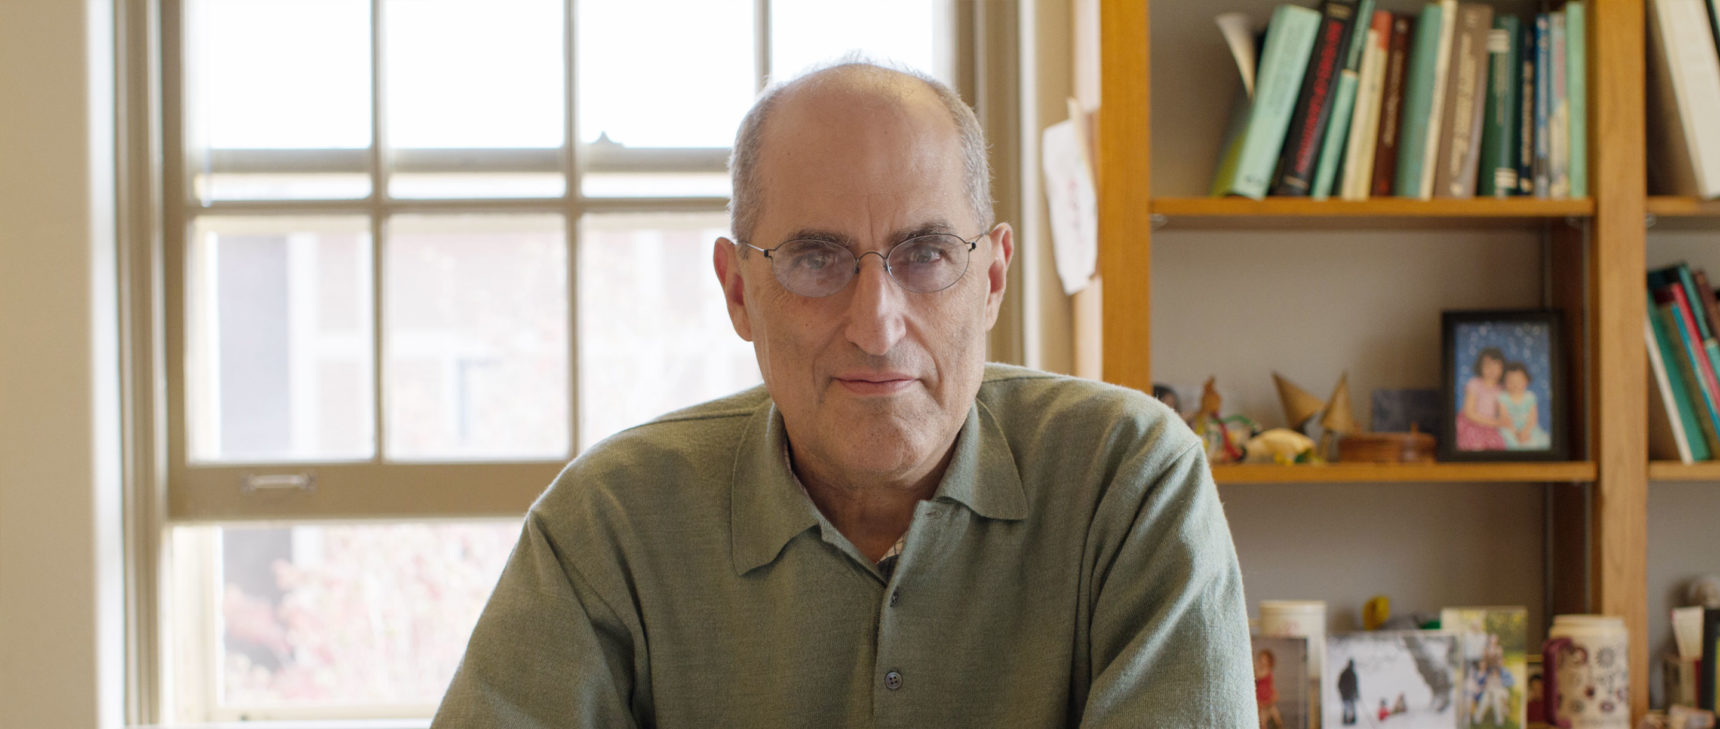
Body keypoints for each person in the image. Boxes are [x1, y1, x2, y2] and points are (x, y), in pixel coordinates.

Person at [429, 60, 1254, 727]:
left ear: (992, 278)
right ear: (739, 291)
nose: (876, 323)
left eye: (926, 254)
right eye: (816, 258)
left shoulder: (1130, 484)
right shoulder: (608, 524)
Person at [1457, 347, 1510, 451]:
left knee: (1498, 444)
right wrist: (1494, 423)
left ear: (1502, 368)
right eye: (1487, 365)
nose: (1492, 369)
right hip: (1471, 423)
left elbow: (1504, 412)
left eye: (1496, 365)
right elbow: (1469, 412)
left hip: (1490, 427)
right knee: (1474, 443)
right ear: (1480, 367)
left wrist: (1501, 422)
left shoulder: (1502, 389)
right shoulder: (1475, 383)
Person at [1496, 362, 1550, 449]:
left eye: (1518, 381)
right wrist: (1516, 433)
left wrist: (1525, 432)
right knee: (1509, 441)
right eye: (1510, 381)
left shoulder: (1530, 397)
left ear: (1526, 381)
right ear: (1504, 382)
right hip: (1510, 428)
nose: (1515, 384)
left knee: (1539, 442)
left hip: (1528, 427)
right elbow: (1504, 418)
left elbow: (1533, 418)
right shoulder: (1503, 398)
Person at [1256, 648, 1284, 729]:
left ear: (1269, 661)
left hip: (1268, 697)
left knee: (1275, 715)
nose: (1261, 661)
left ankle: (1278, 725)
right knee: (1263, 718)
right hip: (1261, 699)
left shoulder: (1266, 670)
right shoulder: (1261, 670)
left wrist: (1257, 667)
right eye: (1260, 659)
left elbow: (1259, 676)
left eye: (1264, 659)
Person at [1339, 658, 1360, 726]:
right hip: (1346, 695)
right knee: (1347, 708)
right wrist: (1342, 691)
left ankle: (1350, 720)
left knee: (1350, 708)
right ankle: (1347, 720)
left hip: (1349, 695)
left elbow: (1355, 685)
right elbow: (1340, 684)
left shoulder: (1351, 673)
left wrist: (1356, 693)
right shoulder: (1346, 673)